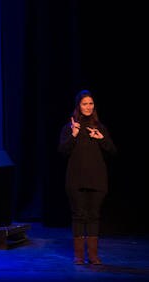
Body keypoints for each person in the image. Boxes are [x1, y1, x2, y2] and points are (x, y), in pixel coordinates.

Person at [58, 89, 116, 265]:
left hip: (97, 180)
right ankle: (79, 256)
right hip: (76, 180)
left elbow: (113, 151)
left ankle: (93, 255)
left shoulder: (100, 127)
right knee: (78, 215)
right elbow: (62, 151)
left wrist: (101, 139)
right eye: (85, 104)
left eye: (91, 103)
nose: (88, 107)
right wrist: (74, 134)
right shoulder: (70, 127)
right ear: (78, 106)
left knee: (93, 215)